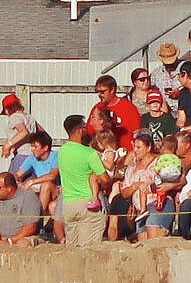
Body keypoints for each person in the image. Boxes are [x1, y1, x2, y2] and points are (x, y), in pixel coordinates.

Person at [58, 114, 110, 245]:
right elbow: (105, 179)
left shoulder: (62, 151)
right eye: (85, 127)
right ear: (80, 129)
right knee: (90, 250)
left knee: (73, 249)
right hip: (87, 205)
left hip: (68, 204)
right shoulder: (89, 154)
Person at [15, 131, 60, 224]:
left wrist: (31, 182)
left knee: (46, 185)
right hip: (40, 190)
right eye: (31, 146)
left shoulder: (56, 156)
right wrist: (15, 181)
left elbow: (53, 175)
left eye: (35, 147)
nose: (32, 149)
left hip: (56, 191)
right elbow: (18, 174)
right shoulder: (32, 158)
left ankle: (38, 221)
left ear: (45, 148)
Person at [87, 74, 141, 151]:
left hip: (124, 152)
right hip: (102, 152)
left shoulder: (128, 107)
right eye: (98, 92)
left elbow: (136, 131)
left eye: (102, 92)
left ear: (112, 90)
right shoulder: (97, 108)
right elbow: (89, 131)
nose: (99, 95)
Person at [0, 93, 40, 174]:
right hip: (33, 156)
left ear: (7, 108)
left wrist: (8, 145)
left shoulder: (14, 117)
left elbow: (23, 132)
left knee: (11, 182)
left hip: (22, 155)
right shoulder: (29, 117)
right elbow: (42, 133)